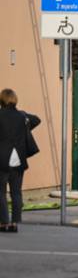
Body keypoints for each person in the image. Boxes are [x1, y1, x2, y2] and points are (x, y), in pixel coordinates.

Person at [0, 89, 41, 233]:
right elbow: (37, 119)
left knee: (1, 192)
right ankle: (15, 222)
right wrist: (25, 129)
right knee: (16, 192)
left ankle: (4, 222)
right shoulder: (22, 116)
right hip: (18, 158)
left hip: (2, 159)